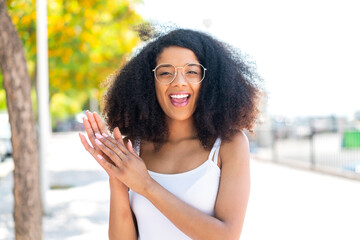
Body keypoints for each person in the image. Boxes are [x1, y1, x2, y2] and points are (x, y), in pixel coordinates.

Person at [79, 28, 261, 240]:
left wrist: (146, 185)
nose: (179, 82)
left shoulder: (229, 145)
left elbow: (226, 236)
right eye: (165, 72)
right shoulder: (133, 147)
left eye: (191, 71)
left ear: (209, 81)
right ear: (149, 83)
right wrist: (117, 178)